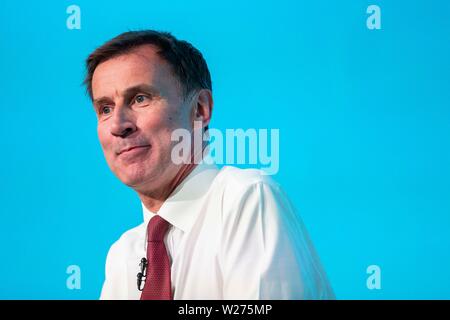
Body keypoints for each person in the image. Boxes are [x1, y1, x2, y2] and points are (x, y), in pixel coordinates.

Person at [84, 30, 334, 299]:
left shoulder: (246, 199)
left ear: (200, 109)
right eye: (105, 109)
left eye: (140, 98)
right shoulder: (123, 256)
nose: (119, 125)